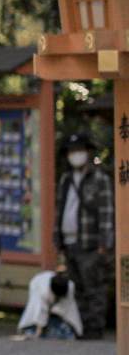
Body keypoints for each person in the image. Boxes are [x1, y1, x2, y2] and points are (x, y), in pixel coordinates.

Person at [53, 132, 114, 340]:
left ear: (87, 153)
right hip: (69, 241)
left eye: (79, 151)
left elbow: (106, 212)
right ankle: (79, 326)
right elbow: (59, 209)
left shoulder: (100, 179)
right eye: (72, 152)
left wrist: (105, 243)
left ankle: (94, 329)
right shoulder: (65, 179)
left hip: (91, 242)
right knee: (76, 287)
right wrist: (57, 239)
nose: (75, 155)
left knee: (94, 287)